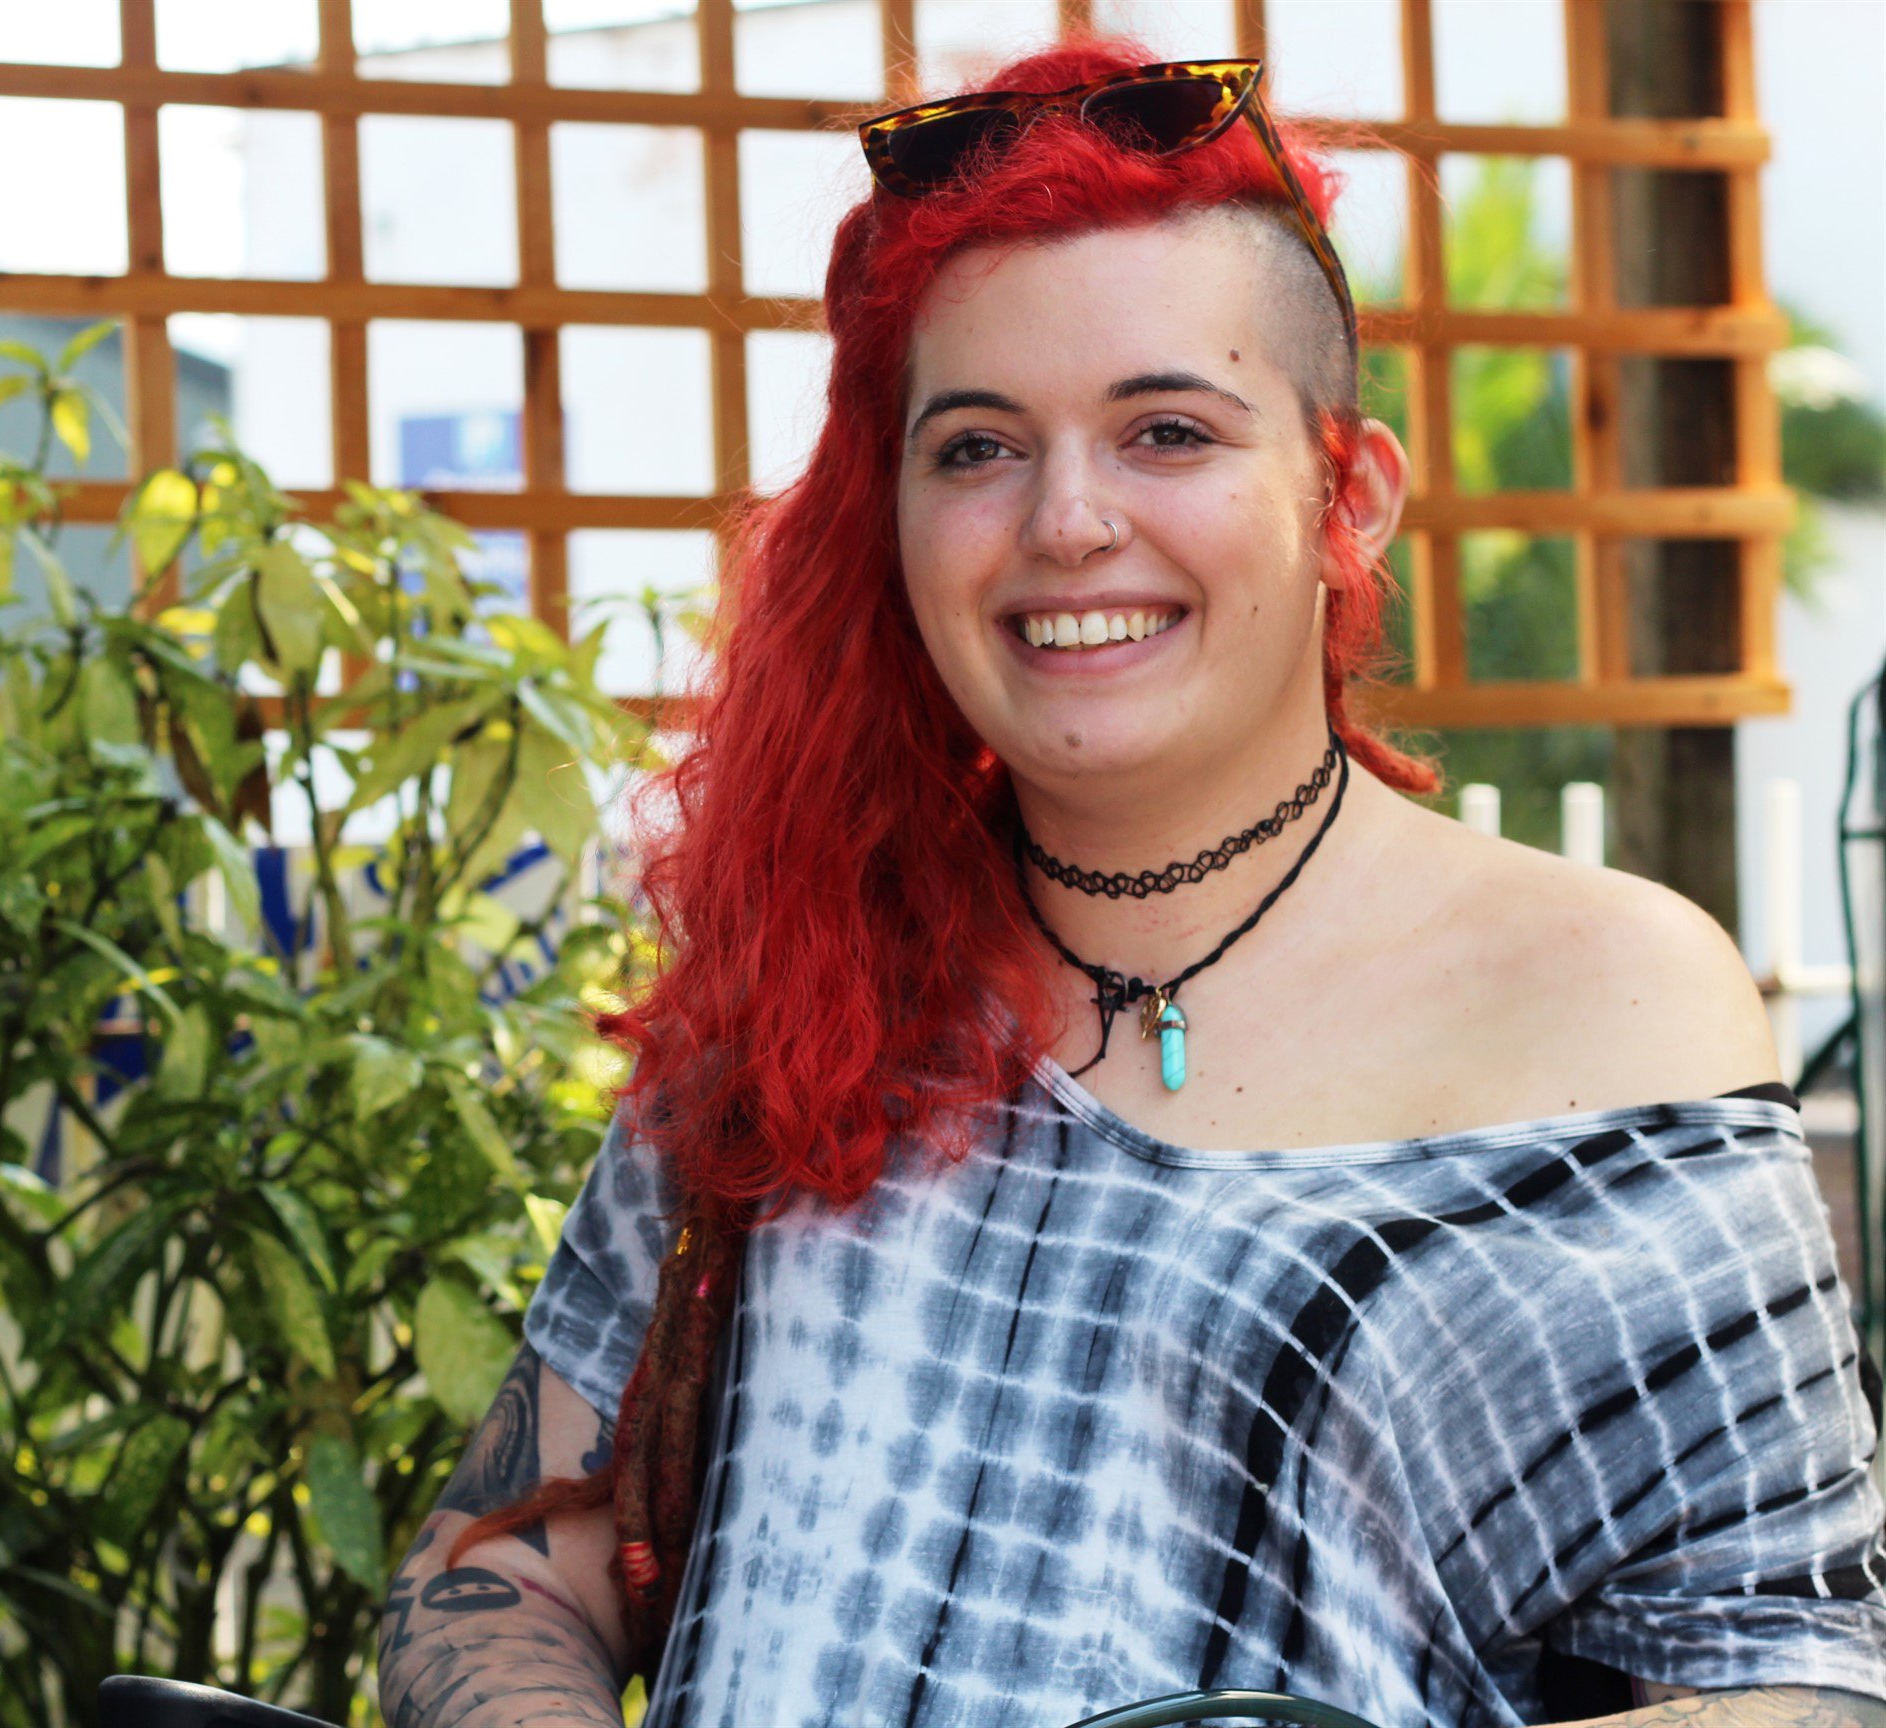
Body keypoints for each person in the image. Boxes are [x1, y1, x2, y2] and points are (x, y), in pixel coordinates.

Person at [375, 33, 1886, 1728]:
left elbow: (1793, 1681)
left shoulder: (1609, 1000)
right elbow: (505, 1559)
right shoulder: (816, 968)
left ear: (1348, 496)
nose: (1067, 522)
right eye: (977, 447)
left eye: (1166, 429)